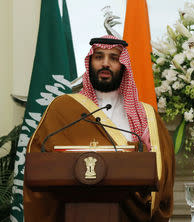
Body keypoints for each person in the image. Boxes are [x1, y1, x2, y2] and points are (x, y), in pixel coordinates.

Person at [23, 35, 174, 222]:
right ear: (90, 62)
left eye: (114, 58)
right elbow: (39, 158)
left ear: (123, 65)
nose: (105, 63)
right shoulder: (62, 109)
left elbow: (163, 167)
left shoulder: (144, 115)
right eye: (99, 56)